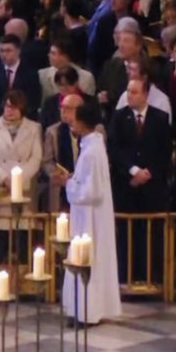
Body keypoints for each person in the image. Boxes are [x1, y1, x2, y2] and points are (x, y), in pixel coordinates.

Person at [57, 100, 121, 325]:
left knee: (85, 260)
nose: (71, 124)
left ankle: (87, 312)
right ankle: (79, 310)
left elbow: (92, 192)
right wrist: (74, 179)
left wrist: (67, 183)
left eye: (75, 120)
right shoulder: (92, 147)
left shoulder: (92, 151)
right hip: (86, 216)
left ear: (83, 123)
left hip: (89, 219)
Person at [107, 78, 172, 285]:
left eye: (134, 92)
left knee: (151, 235)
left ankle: (151, 279)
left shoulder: (160, 118)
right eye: (128, 91)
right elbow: (114, 149)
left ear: (145, 94)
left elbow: (165, 151)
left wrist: (148, 173)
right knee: (127, 235)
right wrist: (133, 171)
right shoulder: (119, 117)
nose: (129, 95)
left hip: (152, 189)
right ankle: (127, 278)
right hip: (126, 187)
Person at [0, 91, 43, 265]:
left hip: (24, 188)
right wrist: (4, 178)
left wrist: (18, 180)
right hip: (0, 188)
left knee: (22, 240)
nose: (10, 111)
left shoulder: (34, 128)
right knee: (0, 240)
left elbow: (36, 158)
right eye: (8, 106)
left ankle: (23, 276)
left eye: (14, 107)